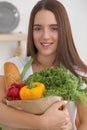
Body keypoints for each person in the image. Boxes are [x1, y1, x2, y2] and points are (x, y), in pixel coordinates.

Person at [0, 0, 87, 130]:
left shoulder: (77, 74)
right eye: (38, 28)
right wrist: (42, 123)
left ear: (64, 31)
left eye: (54, 28)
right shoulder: (14, 66)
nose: (45, 36)